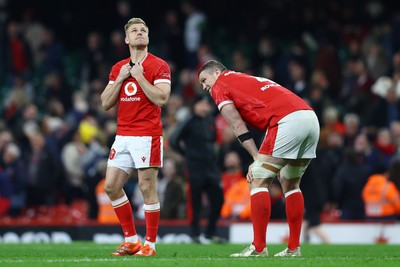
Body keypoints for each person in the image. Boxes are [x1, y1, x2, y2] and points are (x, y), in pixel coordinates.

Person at [197, 60, 320, 257]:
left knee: (258, 179)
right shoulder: (245, 79)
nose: (204, 87)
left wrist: (256, 158)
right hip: (309, 118)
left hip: (286, 120)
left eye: (204, 80)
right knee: (291, 184)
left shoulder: (220, 85)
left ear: (217, 72)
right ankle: (293, 248)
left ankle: (259, 247)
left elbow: (237, 125)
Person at [100, 17, 171, 257]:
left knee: (147, 186)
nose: (139, 33)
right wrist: (121, 77)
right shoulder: (118, 67)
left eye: (143, 30)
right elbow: (105, 103)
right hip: (123, 135)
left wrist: (139, 77)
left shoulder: (159, 65)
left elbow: (162, 99)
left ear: (148, 38)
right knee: (111, 186)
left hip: (147, 134)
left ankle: (150, 244)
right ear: (127, 39)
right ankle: (131, 239)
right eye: (134, 31)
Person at [169, 93, 225, 244]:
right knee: (196, 202)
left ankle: (210, 232)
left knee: (218, 199)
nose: (205, 107)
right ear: (195, 106)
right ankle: (194, 234)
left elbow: (213, 142)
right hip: (195, 168)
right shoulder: (189, 122)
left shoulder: (210, 121)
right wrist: (186, 155)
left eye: (207, 104)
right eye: (202, 104)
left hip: (211, 168)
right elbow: (173, 140)